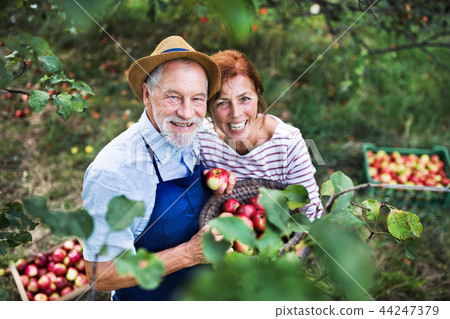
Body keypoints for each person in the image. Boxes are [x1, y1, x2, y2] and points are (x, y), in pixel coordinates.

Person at [81, 36, 235, 301]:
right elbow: (102, 273)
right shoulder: (114, 172)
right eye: (173, 97)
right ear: (146, 94)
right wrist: (189, 254)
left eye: (197, 99)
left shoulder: (200, 135)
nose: (187, 113)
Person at [199, 50, 323, 220]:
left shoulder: (288, 143)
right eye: (222, 103)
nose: (235, 113)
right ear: (208, 105)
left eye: (244, 99)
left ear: (257, 93)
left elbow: (310, 214)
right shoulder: (201, 139)